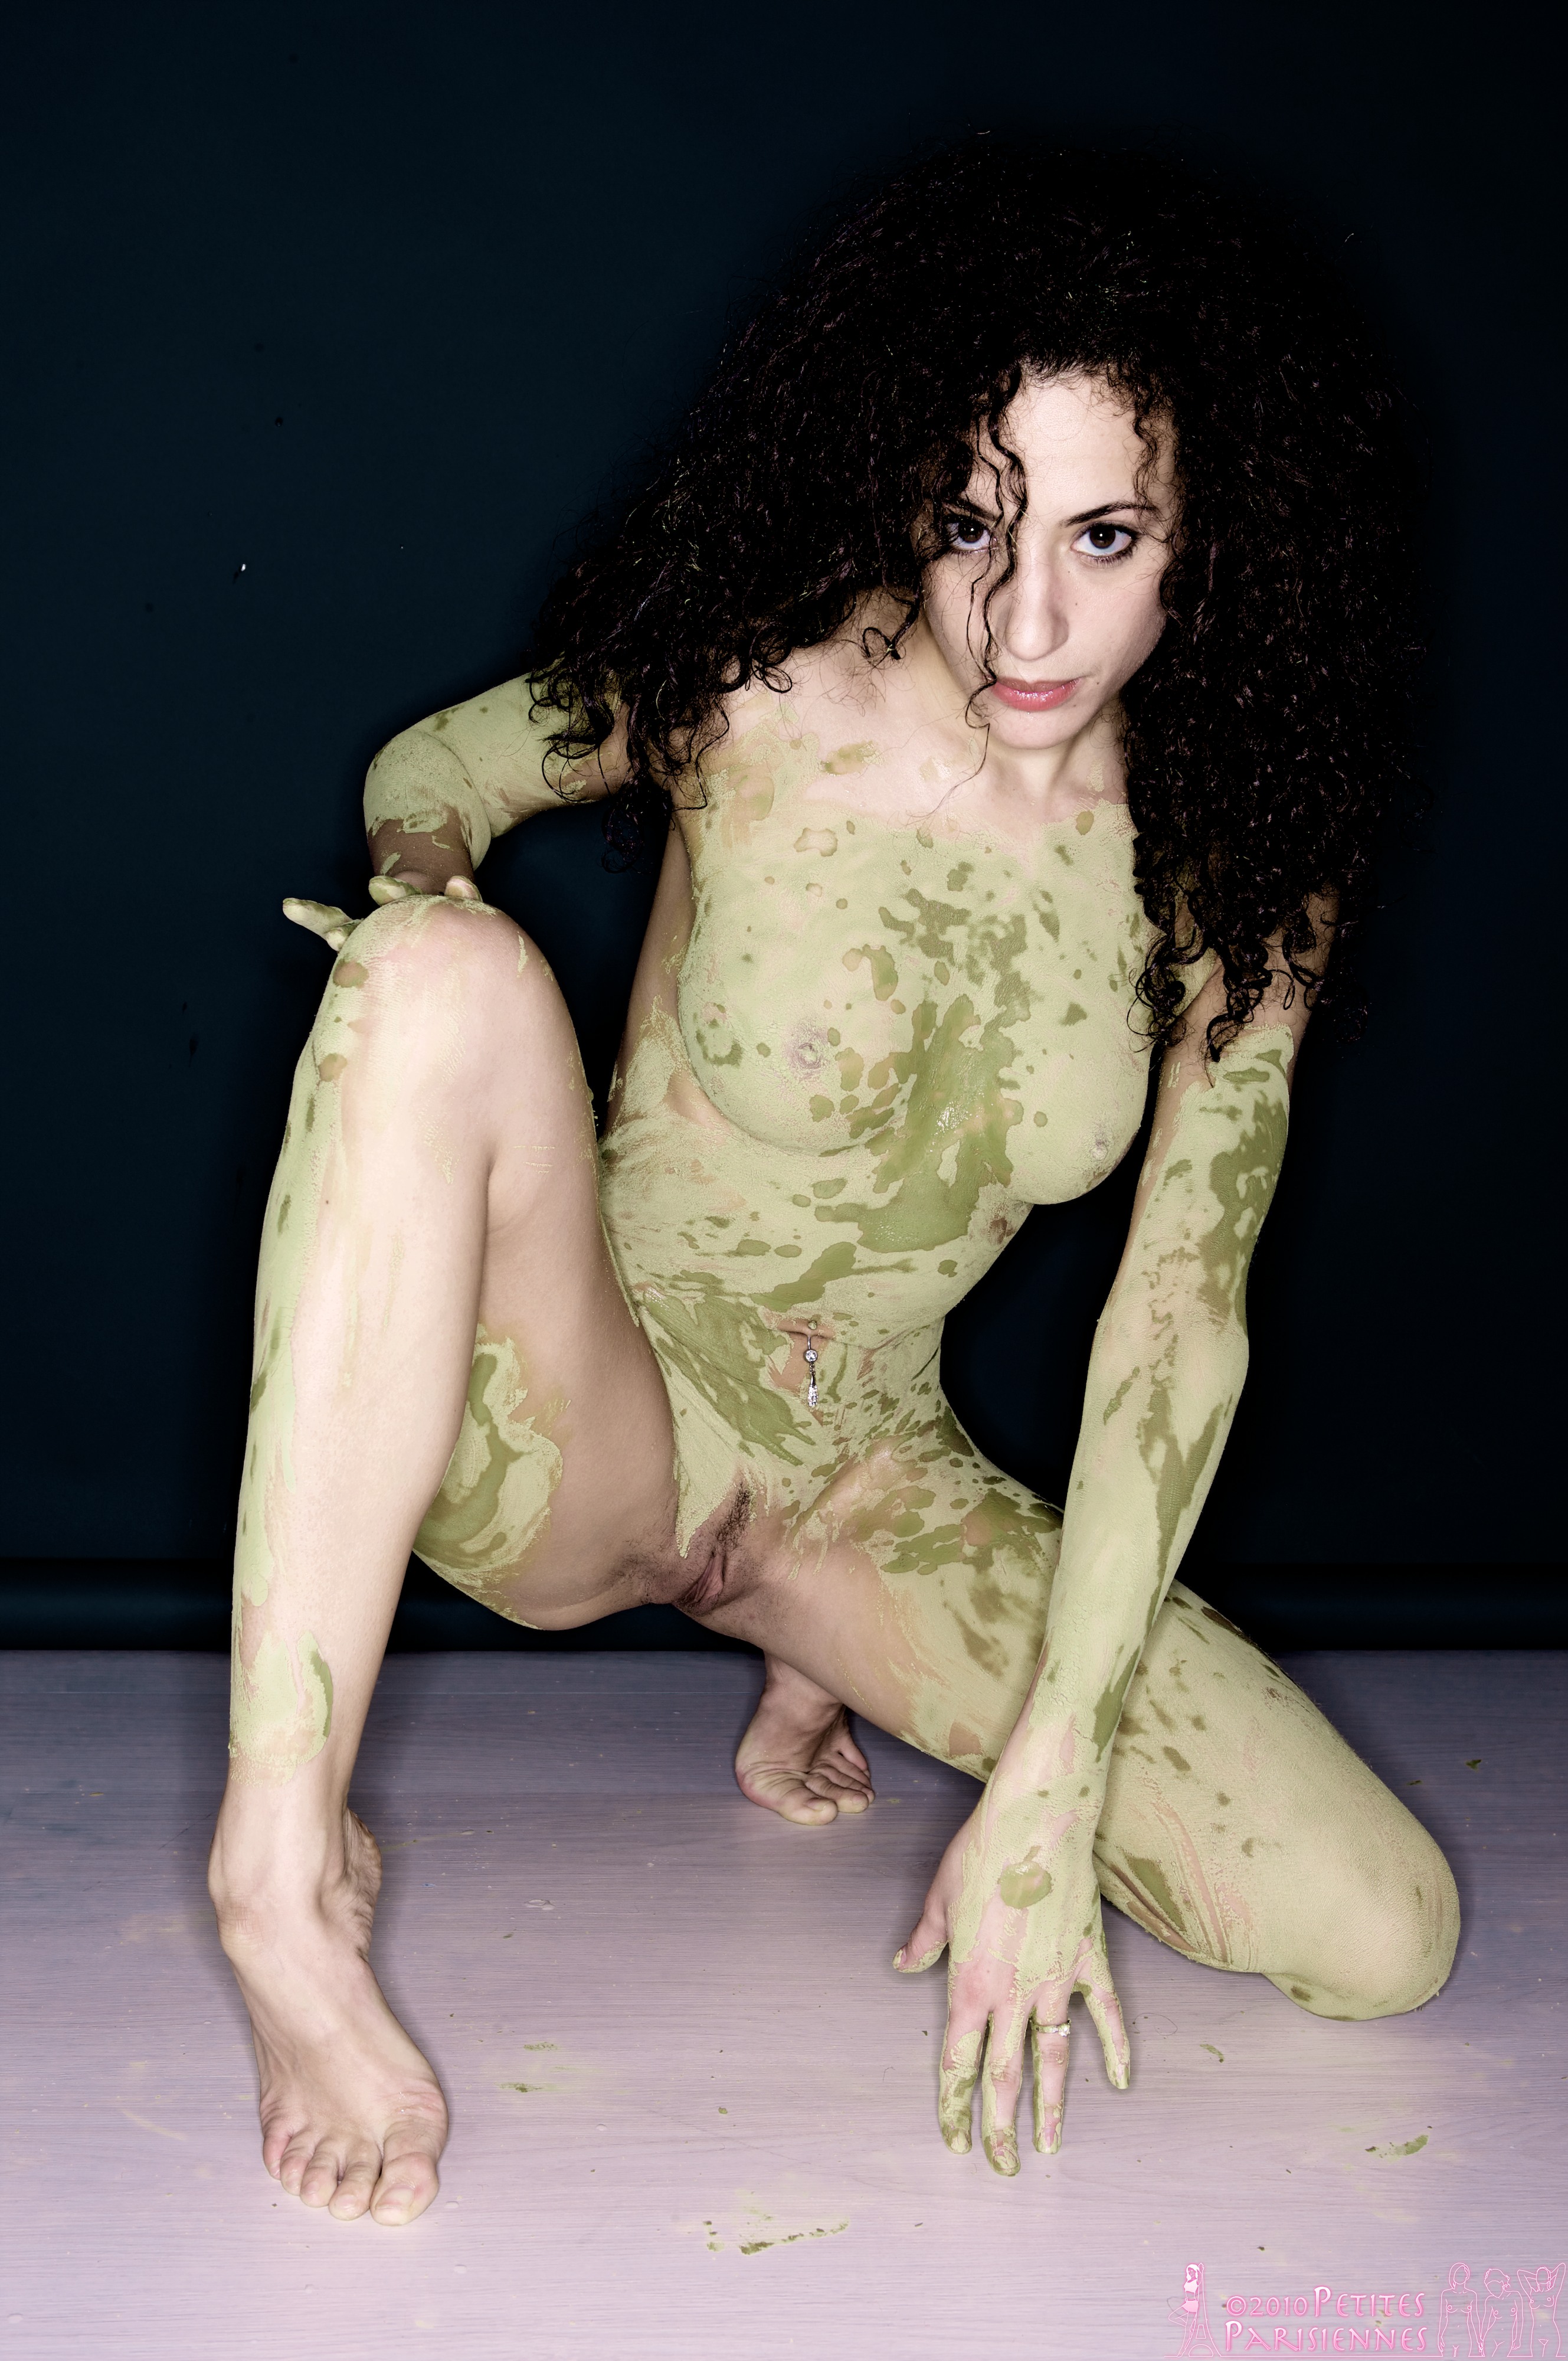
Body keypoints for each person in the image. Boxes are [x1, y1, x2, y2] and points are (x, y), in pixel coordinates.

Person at [207, 138, 1459, 2226]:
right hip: (571, 1414)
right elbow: (437, 771)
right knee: (425, 976)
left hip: (866, 1488)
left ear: (1214, 539)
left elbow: (1177, 1316)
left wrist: (1046, 1768)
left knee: (1379, 1930)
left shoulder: (1230, 872)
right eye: (972, 523)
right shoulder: (760, 680)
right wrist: (428, 938)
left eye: (1105, 536)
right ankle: (274, 1868)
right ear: (901, 491)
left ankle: (811, 1656)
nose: (1025, 615)